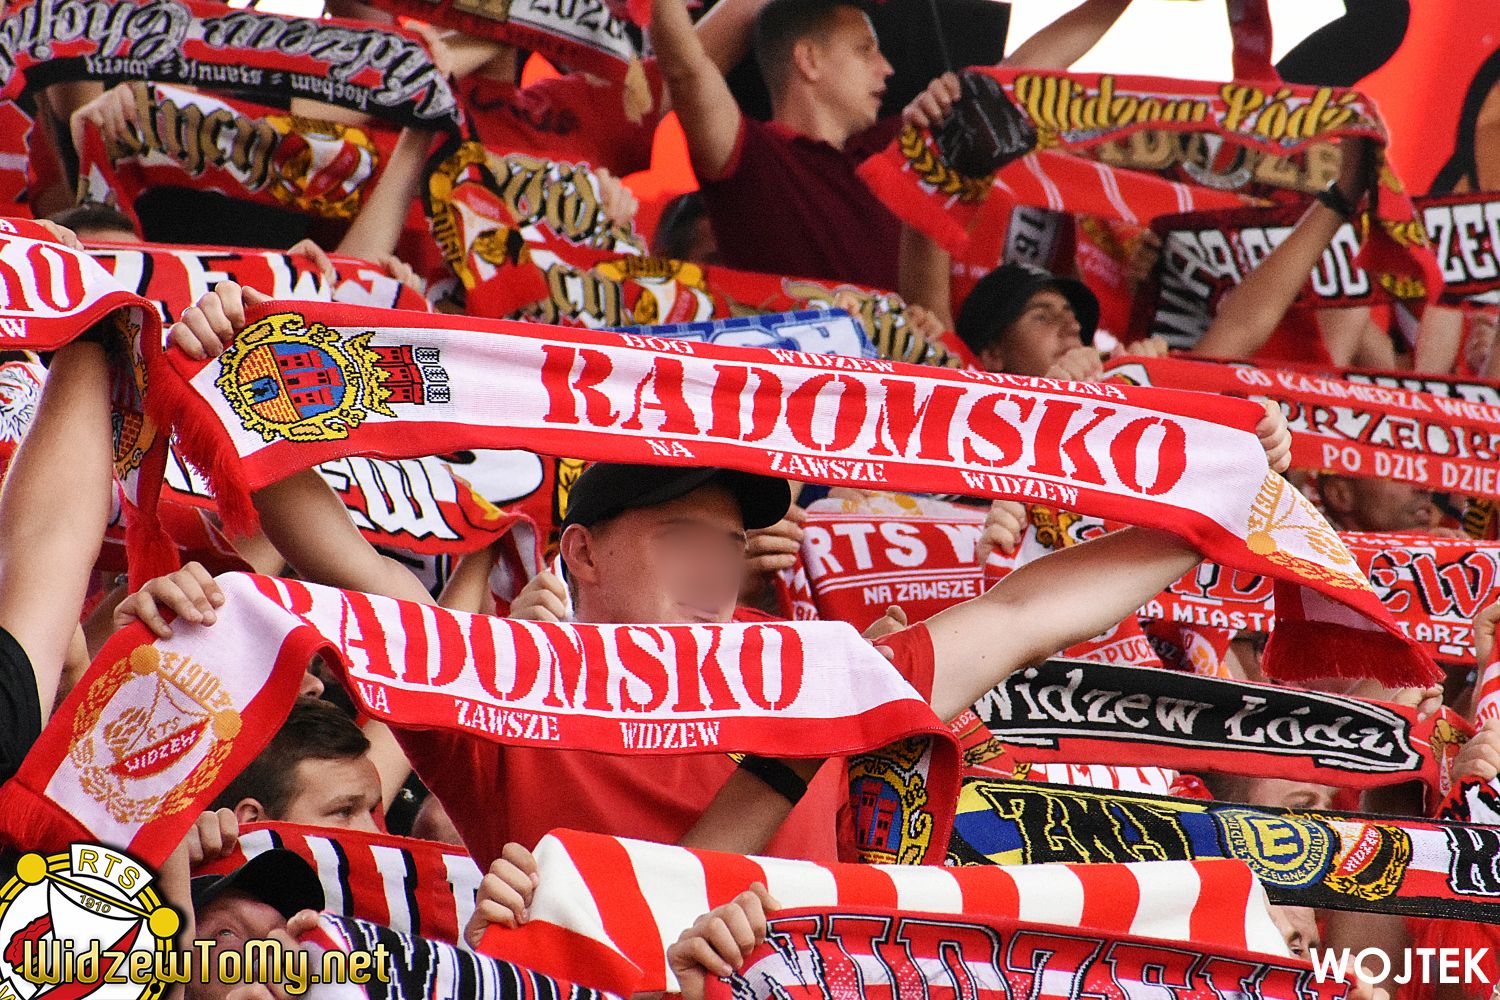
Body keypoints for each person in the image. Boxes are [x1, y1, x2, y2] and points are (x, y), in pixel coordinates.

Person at [168, 279, 1294, 870]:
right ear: (581, 553)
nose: (717, 565)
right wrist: (238, 377)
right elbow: (333, 544)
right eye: (680, 537)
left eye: (728, 541)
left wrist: (1217, 499)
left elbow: (1024, 613)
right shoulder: (498, 680)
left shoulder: (823, 673)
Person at [650, 0, 1137, 289]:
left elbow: (1021, 73)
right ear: (809, 59)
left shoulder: (903, 143)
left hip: (902, 403)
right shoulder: (747, 158)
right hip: (795, 409)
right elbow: (686, 68)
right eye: (865, 50)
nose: (887, 69)